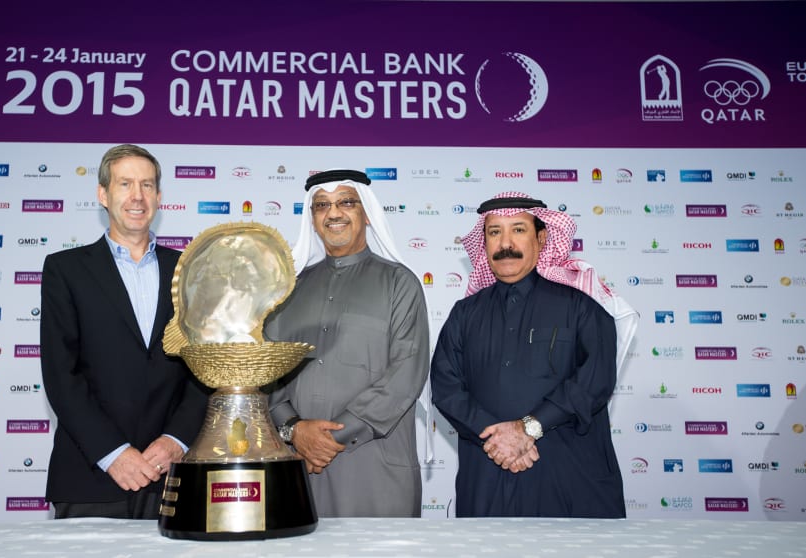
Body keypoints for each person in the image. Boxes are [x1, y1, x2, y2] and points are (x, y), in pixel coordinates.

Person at [430, 191, 638, 518]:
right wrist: (497, 436)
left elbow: (593, 381)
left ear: (542, 238)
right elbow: (446, 388)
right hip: (487, 475)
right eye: (494, 232)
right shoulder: (465, 313)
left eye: (518, 229)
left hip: (568, 476)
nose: (505, 243)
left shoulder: (581, 306)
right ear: (483, 243)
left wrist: (528, 428)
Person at [40, 144, 208, 519]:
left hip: (172, 472)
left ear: (159, 197)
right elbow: (60, 375)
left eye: (147, 185)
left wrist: (175, 440)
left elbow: (203, 371)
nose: (137, 196)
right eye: (125, 184)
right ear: (103, 194)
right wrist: (114, 453)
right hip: (90, 475)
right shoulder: (64, 270)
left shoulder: (190, 271)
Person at [264, 169, 430, 517]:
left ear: (366, 212)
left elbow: (406, 373)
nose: (334, 213)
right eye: (322, 205)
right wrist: (295, 430)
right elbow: (269, 374)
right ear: (312, 218)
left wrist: (329, 439)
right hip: (300, 464)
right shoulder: (287, 291)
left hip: (374, 465)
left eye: (346, 203)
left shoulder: (400, 283)